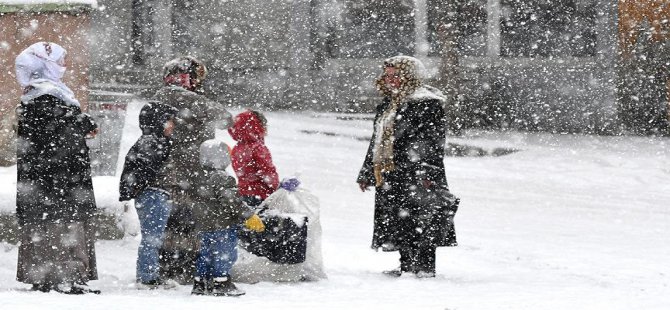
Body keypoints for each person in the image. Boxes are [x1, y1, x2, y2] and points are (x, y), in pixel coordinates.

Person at [357, 56, 457, 278]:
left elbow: (433, 141)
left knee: (423, 217)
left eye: (396, 75)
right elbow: (377, 140)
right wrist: (366, 173)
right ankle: (406, 265)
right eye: (388, 75)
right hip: (391, 171)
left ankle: (424, 267)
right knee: (398, 218)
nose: (390, 80)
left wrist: (427, 171)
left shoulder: (426, 103)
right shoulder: (389, 104)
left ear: (410, 77)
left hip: (416, 171)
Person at [14, 42, 100, 294]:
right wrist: (81, 123)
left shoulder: (43, 94)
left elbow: (57, 131)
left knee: (49, 224)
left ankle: (52, 276)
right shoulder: (45, 96)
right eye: (60, 61)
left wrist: (79, 122)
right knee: (61, 225)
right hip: (57, 181)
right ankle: (63, 276)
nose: (64, 66)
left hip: (47, 181)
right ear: (45, 65)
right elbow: (56, 137)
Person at [153, 56, 233, 284]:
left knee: (171, 221)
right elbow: (225, 118)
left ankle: (169, 266)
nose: (199, 82)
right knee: (187, 220)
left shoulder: (161, 95)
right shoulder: (182, 96)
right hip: (186, 172)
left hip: (169, 170)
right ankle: (183, 268)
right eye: (196, 77)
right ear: (185, 77)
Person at [190, 140, 265, 296]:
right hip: (222, 225)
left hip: (202, 225)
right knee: (225, 254)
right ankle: (221, 282)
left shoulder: (198, 176)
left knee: (205, 254)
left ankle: (201, 282)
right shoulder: (222, 177)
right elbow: (232, 201)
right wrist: (249, 215)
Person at [119, 102, 178, 288]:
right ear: (158, 122)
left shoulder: (156, 141)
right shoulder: (151, 142)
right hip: (153, 195)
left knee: (155, 237)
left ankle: (151, 273)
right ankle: (147, 276)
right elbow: (143, 170)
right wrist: (142, 187)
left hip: (156, 194)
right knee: (152, 238)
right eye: (169, 121)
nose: (172, 125)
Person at [227, 110, 279, 207]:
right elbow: (267, 172)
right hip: (261, 195)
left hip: (244, 193)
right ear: (257, 127)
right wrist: (277, 186)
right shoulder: (257, 148)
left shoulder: (237, 148)